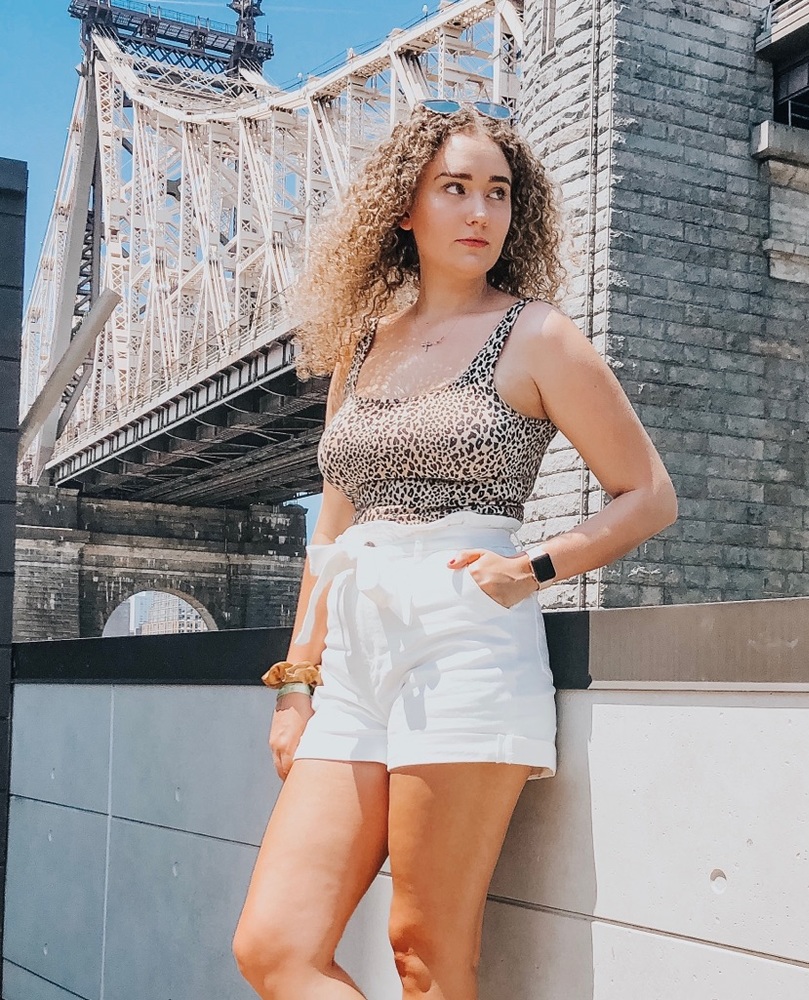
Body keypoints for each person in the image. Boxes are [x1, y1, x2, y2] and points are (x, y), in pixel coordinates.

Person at [232, 100, 677, 1000]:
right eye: (455, 189)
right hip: (354, 658)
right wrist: (297, 682)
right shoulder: (361, 351)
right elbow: (333, 530)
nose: (481, 212)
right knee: (273, 947)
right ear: (405, 208)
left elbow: (650, 497)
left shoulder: (538, 334)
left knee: (425, 957)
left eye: (499, 193)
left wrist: (534, 568)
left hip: (465, 642)